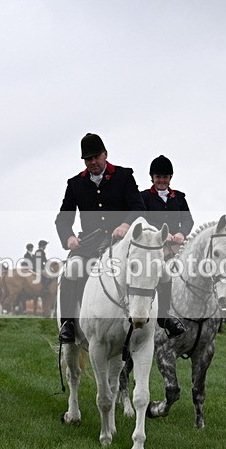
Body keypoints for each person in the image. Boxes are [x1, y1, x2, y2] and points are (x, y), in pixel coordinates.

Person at [54, 133, 184, 343]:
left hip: (123, 242)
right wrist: (68, 237)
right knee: (72, 268)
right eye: (88, 159)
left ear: (105, 154)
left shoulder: (123, 176)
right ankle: (68, 323)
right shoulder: (75, 183)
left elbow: (138, 207)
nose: (93, 162)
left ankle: (164, 317)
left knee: (160, 268)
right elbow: (63, 219)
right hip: (90, 243)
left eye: (96, 157)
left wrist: (125, 224)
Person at [140, 155, 195, 332]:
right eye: (158, 177)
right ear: (152, 177)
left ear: (170, 178)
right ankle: (162, 315)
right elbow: (143, 218)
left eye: (165, 177)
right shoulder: (144, 197)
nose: (162, 180)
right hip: (153, 245)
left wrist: (181, 233)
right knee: (162, 272)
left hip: (176, 246)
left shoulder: (179, 198)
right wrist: (161, 232)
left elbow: (188, 220)